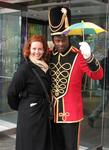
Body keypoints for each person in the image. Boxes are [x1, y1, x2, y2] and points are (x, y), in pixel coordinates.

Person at [48, 6, 103, 150]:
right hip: (50, 113)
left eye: (63, 39)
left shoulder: (79, 55)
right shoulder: (49, 54)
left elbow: (98, 75)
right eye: (56, 40)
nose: (59, 43)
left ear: (69, 37)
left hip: (70, 115)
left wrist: (89, 57)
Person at [7, 35, 52, 150]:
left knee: (42, 144)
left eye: (40, 49)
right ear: (29, 49)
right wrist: (23, 106)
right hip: (30, 114)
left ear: (44, 50)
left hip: (43, 112)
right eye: (34, 48)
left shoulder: (45, 66)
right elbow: (11, 93)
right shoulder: (25, 68)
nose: (37, 52)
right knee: (30, 144)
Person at [88, 50, 109, 128]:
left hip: (105, 85)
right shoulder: (105, 62)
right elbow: (101, 75)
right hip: (106, 86)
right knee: (103, 104)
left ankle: (92, 117)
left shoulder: (103, 61)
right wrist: (104, 84)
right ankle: (92, 117)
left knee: (103, 104)